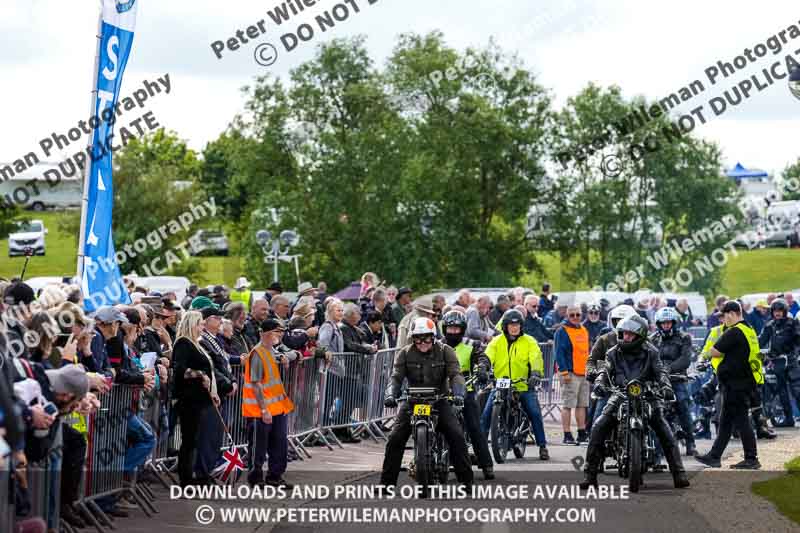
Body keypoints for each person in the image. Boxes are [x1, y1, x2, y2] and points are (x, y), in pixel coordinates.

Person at [580, 314, 690, 489]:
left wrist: (666, 387)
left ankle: (679, 473)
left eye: (630, 334)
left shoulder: (651, 352)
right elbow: (605, 370)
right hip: (621, 393)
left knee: (663, 427)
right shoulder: (612, 352)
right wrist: (600, 382)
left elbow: (660, 371)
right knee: (598, 426)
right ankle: (589, 474)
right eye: (623, 333)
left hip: (647, 393)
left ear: (640, 335)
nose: (626, 337)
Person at [381, 317, 473, 488]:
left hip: (439, 400)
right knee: (395, 438)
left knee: (456, 434)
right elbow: (395, 377)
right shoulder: (405, 353)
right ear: (412, 338)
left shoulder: (446, 351)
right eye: (418, 338)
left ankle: (466, 480)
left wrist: (459, 394)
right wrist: (390, 395)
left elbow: (456, 375)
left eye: (426, 337)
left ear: (433, 336)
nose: (422, 342)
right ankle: (386, 484)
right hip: (413, 401)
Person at [695, 301, 762, 469]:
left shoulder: (735, 331)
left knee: (742, 422)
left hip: (736, 384)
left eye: (724, 317)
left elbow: (715, 350)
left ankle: (751, 458)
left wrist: (704, 357)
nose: (723, 321)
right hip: (743, 382)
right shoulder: (749, 330)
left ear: (731, 314)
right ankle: (714, 456)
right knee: (725, 422)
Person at [480, 310, 550, 460]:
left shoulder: (529, 341)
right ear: (505, 326)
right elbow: (487, 355)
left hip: (523, 385)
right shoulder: (496, 341)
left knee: (534, 413)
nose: (514, 327)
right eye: (511, 324)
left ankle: (542, 446)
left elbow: (536, 357)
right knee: (486, 414)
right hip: (500, 385)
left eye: (517, 324)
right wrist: (483, 367)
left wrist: (536, 373)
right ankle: (479, 448)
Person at [441, 311, 494, 480]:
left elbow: (483, 358)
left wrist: (482, 369)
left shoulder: (473, 344)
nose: (453, 332)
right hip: (442, 393)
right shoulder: (436, 345)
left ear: (463, 329)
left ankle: (486, 465)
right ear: (444, 329)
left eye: (457, 328)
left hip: (466, 391)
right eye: (450, 328)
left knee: (474, 427)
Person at [243, 319, 295, 488]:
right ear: (266, 334)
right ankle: (255, 478)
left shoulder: (271, 351)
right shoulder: (257, 353)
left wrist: (282, 357)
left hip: (277, 408)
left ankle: (275, 476)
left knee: (279, 443)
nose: (280, 335)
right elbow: (256, 384)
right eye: (276, 332)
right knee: (258, 446)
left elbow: (279, 356)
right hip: (261, 410)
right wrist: (264, 410)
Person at [172, 310, 219, 487]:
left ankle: (195, 474)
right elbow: (180, 369)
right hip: (189, 399)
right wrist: (201, 375)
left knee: (196, 439)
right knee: (189, 440)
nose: (202, 327)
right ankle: (185, 479)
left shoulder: (196, 344)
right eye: (200, 324)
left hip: (200, 398)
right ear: (192, 325)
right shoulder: (183, 343)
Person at [650, 307, 696, 456]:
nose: (666, 325)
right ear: (658, 324)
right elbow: (648, 358)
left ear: (673, 323)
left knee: (683, 403)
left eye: (668, 323)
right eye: (663, 323)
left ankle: (690, 442)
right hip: (657, 380)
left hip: (677, 378)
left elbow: (685, 359)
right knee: (651, 407)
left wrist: (668, 370)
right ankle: (653, 446)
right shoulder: (652, 339)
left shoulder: (684, 338)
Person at [585, 304, 637, 432]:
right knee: (598, 421)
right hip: (611, 386)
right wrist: (592, 371)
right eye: (618, 321)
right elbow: (592, 360)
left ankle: (659, 450)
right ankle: (595, 451)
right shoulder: (605, 339)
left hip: (636, 386)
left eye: (625, 321)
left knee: (655, 419)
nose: (622, 324)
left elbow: (653, 361)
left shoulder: (643, 340)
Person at [757, 298, 800, 427]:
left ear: (785, 311)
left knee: (797, 390)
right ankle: (788, 419)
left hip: (791, 360)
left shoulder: (793, 323)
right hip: (777, 362)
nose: (777, 313)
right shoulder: (770, 325)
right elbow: (760, 341)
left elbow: (799, 341)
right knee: (781, 392)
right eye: (775, 310)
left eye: (780, 310)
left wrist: (796, 355)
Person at [554, 305, 591, 444]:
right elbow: (559, 353)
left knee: (582, 405)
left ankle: (581, 433)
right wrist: (564, 372)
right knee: (567, 405)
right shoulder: (561, 331)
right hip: (570, 372)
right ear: (567, 316)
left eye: (578, 315)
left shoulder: (584, 330)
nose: (575, 317)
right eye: (572, 315)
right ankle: (567, 434)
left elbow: (587, 351)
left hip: (583, 372)